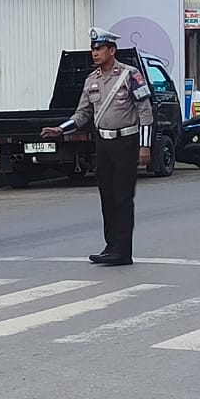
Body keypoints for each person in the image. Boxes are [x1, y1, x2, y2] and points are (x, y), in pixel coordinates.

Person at [41, 27, 153, 266]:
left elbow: (145, 112)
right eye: (93, 49)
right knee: (107, 196)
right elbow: (82, 114)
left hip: (126, 142)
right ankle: (110, 246)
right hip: (103, 143)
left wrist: (145, 147)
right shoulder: (91, 80)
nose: (95, 53)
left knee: (122, 197)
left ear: (112, 50)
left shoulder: (130, 75)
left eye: (99, 48)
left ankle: (122, 251)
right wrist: (61, 129)